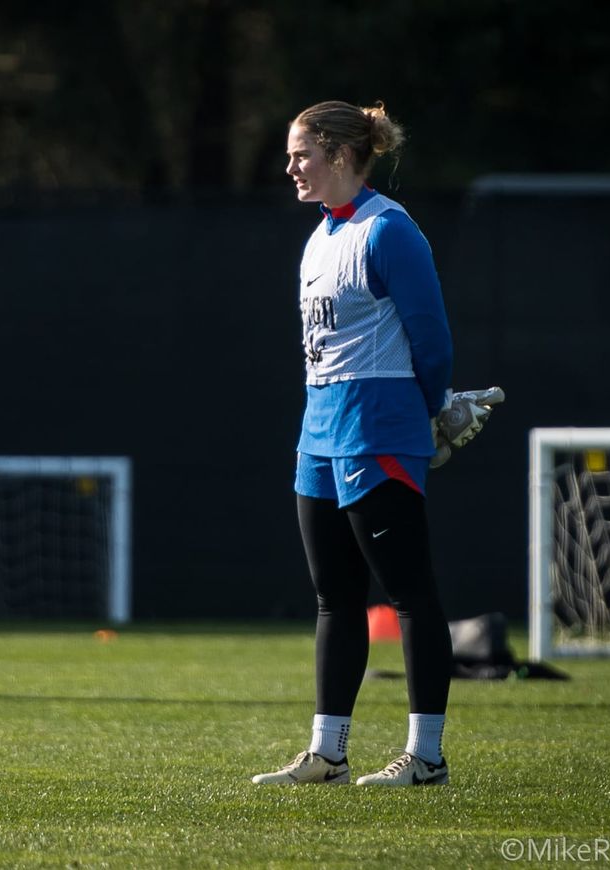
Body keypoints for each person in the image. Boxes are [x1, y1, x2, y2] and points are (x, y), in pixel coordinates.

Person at [251, 101, 455, 786]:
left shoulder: (389, 230)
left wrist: (431, 413)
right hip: (320, 435)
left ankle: (426, 756)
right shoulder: (320, 237)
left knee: (408, 595)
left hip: (378, 429)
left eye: (301, 154)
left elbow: (431, 341)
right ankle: (327, 753)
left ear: (340, 155)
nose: (290, 168)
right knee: (334, 596)